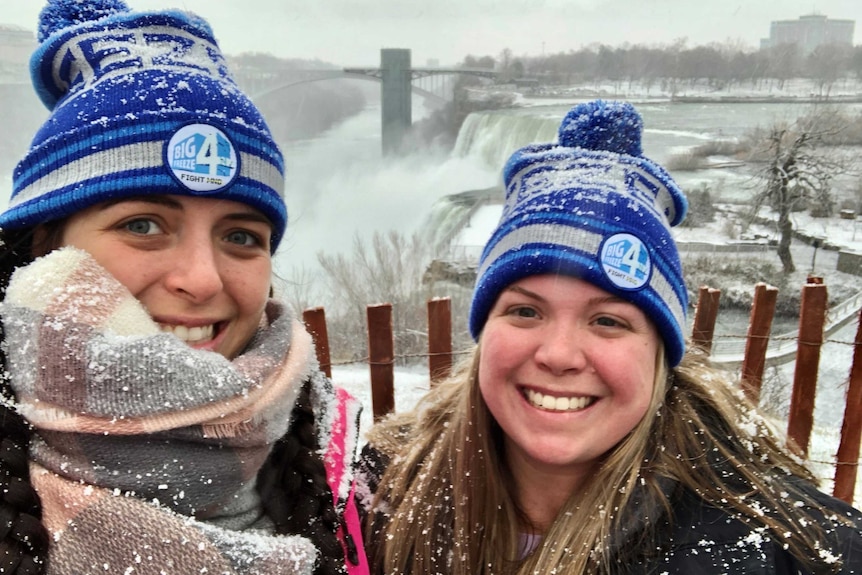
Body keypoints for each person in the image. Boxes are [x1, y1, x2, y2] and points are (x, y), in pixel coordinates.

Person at [357, 99, 862, 574]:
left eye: (608, 321)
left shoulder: (787, 545)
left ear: (660, 353)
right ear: (485, 331)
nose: (557, 355)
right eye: (526, 310)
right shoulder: (383, 493)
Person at [0, 1, 369, 574]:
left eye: (241, 236)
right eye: (142, 225)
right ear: (43, 246)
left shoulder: (348, 474)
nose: (201, 280)